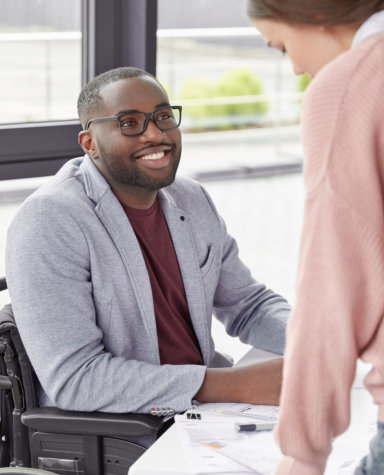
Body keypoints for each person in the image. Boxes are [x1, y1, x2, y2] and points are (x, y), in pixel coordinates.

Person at [5, 67, 289, 431]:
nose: (155, 134)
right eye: (129, 122)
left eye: (163, 116)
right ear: (90, 144)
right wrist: (235, 384)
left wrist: (316, 345)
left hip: (208, 413)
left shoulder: (192, 197)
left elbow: (248, 304)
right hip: (130, 432)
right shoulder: (49, 220)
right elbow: (76, 378)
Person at [247, 1, 384, 474]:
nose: (297, 67)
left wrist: (301, 454)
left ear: (313, 12)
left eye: (282, 46)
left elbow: (332, 290)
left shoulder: (352, 83)